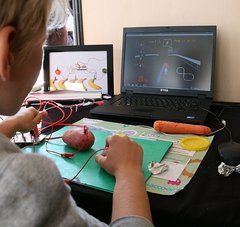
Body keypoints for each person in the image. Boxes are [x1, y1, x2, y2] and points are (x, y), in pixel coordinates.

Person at [0, 0, 154, 226]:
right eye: (41, 43)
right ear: (7, 51)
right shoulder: (23, 177)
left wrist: (8, 127)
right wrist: (129, 172)